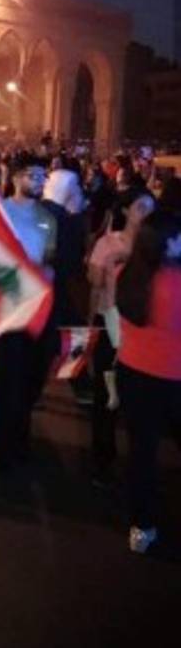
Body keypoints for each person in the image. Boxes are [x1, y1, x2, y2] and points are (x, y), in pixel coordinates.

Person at [0, 156, 57, 468]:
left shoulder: (48, 219)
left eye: (42, 176)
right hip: (7, 305)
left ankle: (20, 439)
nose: (38, 182)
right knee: (6, 377)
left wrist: (43, 276)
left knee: (30, 375)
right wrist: (13, 282)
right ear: (17, 178)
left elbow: (47, 259)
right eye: (32, 176)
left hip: (35, 306)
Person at [115, 210, 181, 554]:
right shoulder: (174, 282)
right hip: (173, 378)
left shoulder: (130, 274)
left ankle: (142, 526)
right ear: (170, 241)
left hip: (134, 373)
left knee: (143, 452)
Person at [86, 189, 155, 485]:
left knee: (138, 399)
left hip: (142, 328)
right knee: (104, 395)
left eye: (151, 208)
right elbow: (94, 282)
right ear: (126, 211)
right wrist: (112, 262)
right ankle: (102, 458)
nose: (147, 214)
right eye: (141, 207)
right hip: (110, 321)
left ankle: (140, 464)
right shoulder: (108, 243)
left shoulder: (158, 247)